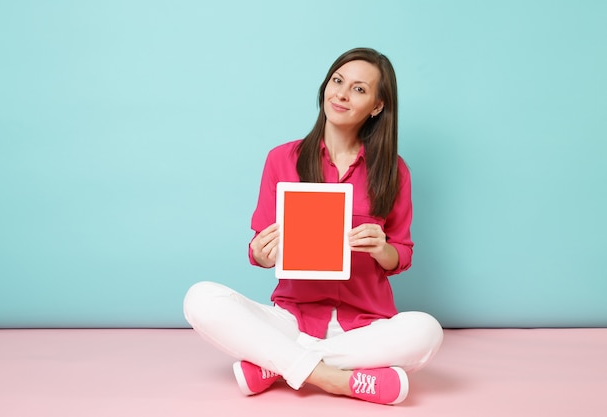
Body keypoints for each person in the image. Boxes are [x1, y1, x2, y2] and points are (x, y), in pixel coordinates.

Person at [184, 47, 443, 406]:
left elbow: (401, 254)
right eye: (337, 81)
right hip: (292, 317)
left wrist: (382, 248)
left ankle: (277, 363)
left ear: (377, 106)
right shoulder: (282, 159)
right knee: (200, 298)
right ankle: (338, 380)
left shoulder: (394, 170)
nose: (341, 94)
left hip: (365, 325)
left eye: (359, 89)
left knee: (426, 332)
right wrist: (260, 251)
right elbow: (259, 248)